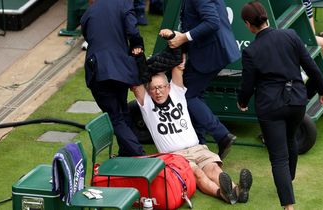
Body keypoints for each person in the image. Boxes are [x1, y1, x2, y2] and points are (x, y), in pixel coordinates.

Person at [131, 31, 253, 204]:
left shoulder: (177, 91)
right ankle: (224, 193)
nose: (157, 92)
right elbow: (136, 83)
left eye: (161, 87)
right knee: (197, 174)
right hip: (175, 156)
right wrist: (138, 56)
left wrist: (172, 36)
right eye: (153, 88)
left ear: (168, 86)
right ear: (149, 90)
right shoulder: (146, 104)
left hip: (197, 148)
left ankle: (238, 190)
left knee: (213, 169)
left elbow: (178, 62)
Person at [237, 2, 323, 210]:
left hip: (270, 108)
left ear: (247, 24)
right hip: (297, 102)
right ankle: (289, 181)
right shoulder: (291, 35)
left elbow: (248, 84)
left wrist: (242, 101)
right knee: (290, 139)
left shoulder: (251, 51)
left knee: (278, 157)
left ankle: (288, 206)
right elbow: (311, 67)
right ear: (266, 17)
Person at [163, 0, 241, 160]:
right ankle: (199, 141)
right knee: (195, 94)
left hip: (212, 52)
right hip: (212, 51)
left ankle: (222, 135)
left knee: (187, 95)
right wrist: (183, 47)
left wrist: (183, 38)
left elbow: (212, 22)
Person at [80, 0, 146, 157]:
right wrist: (137, 46)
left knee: (115, 116)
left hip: (98, 71)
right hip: (120, 69)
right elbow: (133, 32)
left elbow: (89, 37)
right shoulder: (124, 5)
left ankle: (137, 153)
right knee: (122, 111)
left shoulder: (89, 12)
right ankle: (128, 151)